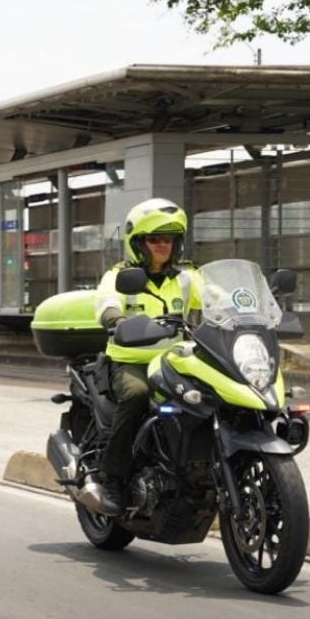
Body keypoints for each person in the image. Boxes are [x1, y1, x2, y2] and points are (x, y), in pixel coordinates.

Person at [94, 198, 202, 517]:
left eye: (167, 239)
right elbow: (106, 303)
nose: (162, 245)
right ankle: (112, 479)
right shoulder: (120, 276)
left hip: (176, 362)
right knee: (137, 395)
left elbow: (216, 296)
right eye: (154, 239)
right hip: (132, 360)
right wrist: (117, 320)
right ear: (139, 243)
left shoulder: (186, 277)